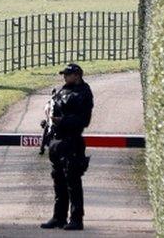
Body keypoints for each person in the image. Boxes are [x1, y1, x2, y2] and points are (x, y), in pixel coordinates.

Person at [41, 63, 94, 231]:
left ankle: (76, 219)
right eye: (64, 74)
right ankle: (59, 217)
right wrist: (49, 119)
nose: (64, 76)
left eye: (68, 74)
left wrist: (62, 121)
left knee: (73, 182)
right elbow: (54, 109)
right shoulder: (62, 91)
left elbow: (83, 120)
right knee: (58, 181)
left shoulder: (83, 93)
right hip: (57, 141)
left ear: (77, 75)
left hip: (71, 141)